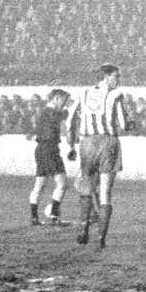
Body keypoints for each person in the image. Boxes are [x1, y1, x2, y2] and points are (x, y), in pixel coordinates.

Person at [67, 63, 130, 249]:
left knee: (86, 187)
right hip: (107, 143)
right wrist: (130, 123)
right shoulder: (116, 94)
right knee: (105, 192)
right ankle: (101, 237)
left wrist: (71, 145)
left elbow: (70, 119)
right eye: (116, 76)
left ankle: (84, 227)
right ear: (106, 76)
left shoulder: (84, 92)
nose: (118, 80)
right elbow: (124, 124)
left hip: (86, 143)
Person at [28, 88, 72, 226]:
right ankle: (53, 215)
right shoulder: (49, 111)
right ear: (56, 98)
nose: (65, 104)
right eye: (64, 100)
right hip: (49, 149)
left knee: (40, 184)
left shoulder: (45, 111)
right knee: (62, 184)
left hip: (41, 149)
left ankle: (34, 217)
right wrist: (69, 111)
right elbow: (59, 117)